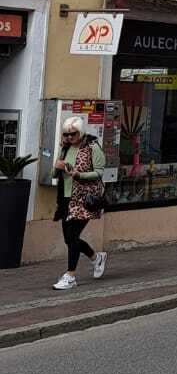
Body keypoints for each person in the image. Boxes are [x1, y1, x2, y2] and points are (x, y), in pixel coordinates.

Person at [52, 116, 107, 291]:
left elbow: (99, 172)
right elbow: (57, 173)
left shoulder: (92, 147)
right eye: (66, 134)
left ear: (80, 132)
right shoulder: (65, 148)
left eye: (72, 134)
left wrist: (79, 175)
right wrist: (58, 167)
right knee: (70, 239)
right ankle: (96, 257)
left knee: (72, 236)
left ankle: (70, 276)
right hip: (66, 198)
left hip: (84, 199)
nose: (69, 137)